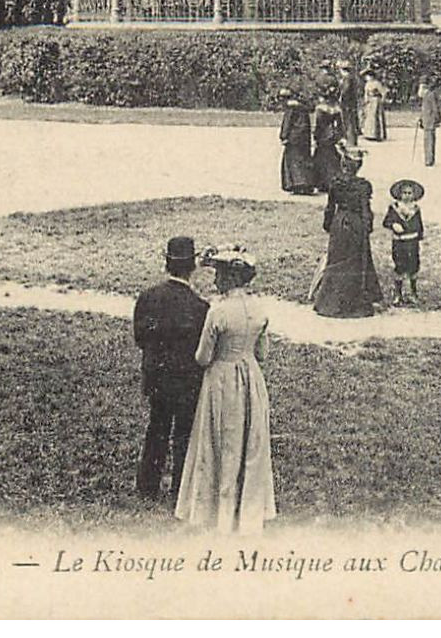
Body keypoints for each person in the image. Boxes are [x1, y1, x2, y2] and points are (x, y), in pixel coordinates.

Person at [176, 247, 276, 535]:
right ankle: (245, 510)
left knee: (221, 441)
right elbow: (263, 353)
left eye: (220, 274)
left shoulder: (218, 311)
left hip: (222, 379)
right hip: (251, 377)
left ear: (232, 278)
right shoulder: (259, 310)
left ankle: (217, 512)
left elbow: (203, 357)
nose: (216, 280)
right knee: (249, 444)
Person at [133, 236, 211, 501]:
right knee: (184, 434)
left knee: (156, 428)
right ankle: (181, 487)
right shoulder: (201, 307)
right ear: (193, 268)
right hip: (187, 381)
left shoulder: (147, 298)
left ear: (166, 263)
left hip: (157, 376)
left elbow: (140, 338)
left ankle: (147, 486)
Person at [314, 148, 382, 318]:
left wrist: (328, 225)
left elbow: (330, 208)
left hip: (339, 222)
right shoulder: (363, 185)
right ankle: (354, 302)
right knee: (355, 261)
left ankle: (329, 301)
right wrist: (368, 227)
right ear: (359, 166)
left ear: (343, 165)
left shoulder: (336, 182)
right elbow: (366, 209)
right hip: (356, 224)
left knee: (336, 259)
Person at [382, 179, 426, 306]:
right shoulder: (395, 208)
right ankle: (398, 294)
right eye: (404, 193)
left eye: (410, 193)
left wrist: (419, 236)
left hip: (412, 243)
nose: (407, 195)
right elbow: (386, 222)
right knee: (399, 267)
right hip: (399, 243)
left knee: (413, 266)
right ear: (399, 194)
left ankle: (413, 293)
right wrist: (393, 225)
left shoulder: (416, 209)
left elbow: (419, 225)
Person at [277, 90, 315, 195]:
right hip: (304, 138)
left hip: (293, 138)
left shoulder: (290, 108)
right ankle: (307, 184)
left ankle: (297, 184)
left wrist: (283, 136)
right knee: (304, 159)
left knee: (292, 161)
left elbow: (287, 123)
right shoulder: (303, 107)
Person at [311, 101, 345, 193]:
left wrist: (315, 136)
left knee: (321, 158)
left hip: (323, 135)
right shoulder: (336, 109)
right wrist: (339, 136)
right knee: (332, 157)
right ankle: (333, 180)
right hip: (332, 135)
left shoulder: (320, 109)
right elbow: (340, 126)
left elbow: (318, 125)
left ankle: (322, 182)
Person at [417, 78, 441, 167]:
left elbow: (435, 108)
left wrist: (437, 118)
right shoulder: (425, 96)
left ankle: (429, 160)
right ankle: (428, 159)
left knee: (430, 141)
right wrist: (420, 118)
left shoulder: (431, 95)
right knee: (427, 141)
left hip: (430, 121)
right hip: (426, 121)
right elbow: (424, 109)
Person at [360, 68, 388, 142]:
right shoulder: (367, 84)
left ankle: (377, 135)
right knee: (368, 117)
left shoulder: (377, 83)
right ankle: (369, 134)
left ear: (371, 76)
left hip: (376, 100)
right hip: (369, 101)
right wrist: (365, 100)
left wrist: (382, 101)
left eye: (368, 76)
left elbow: (383, 92)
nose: (366, 78)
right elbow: (366, 93)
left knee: (375, 117)